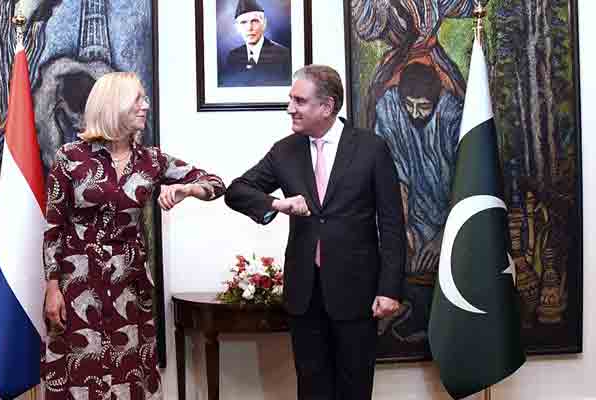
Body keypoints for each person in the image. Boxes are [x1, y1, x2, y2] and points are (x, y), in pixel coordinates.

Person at [225, 65, 405, 399]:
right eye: (290, 99)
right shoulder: (285, 150)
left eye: (299, 100)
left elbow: (392, 224)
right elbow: (236, 191)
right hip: (304, 295)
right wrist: (277, 205)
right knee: (311, 388)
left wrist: (390, 288)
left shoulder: (370, 148)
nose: (290, 108)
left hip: (357, 293)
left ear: (327, 106)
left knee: (354, 388)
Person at [41, 72, 225, 399]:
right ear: (114, 104)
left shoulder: (151, 160)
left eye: (145, 99)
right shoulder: (69, 157)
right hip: (78, 284)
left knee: (128, 373)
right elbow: (53, 226)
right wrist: (52, 287)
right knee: (80, 372)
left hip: (129, 284)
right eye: (138, 99)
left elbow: (215, 183)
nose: (146, 106)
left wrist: (187, 188)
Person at [374, 62, 462, 341]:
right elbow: (392, 174)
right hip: (409, 209)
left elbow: (465, 183)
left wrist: (441, 239)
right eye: (408, 105)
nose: (414, 113)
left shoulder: (452, 115)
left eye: (422, 106)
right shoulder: (389, 109)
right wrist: (403, 229)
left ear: (436, 100)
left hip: (450, 210)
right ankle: (412, 312)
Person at [220, 0, 291, 87]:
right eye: (243, 22)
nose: (249, 28)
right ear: (237, 27)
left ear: (264, 23)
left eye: (255, 21)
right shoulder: (233, 56)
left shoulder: (282, 55)